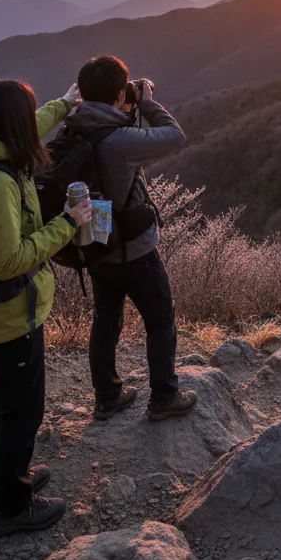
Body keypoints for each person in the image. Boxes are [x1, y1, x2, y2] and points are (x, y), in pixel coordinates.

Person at [0, 79, 92, 538]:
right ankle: (11, 507)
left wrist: (66, 104)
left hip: (2, 316)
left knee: (7, 399)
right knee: (24, 410)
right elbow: (7, 261)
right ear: (12, 127)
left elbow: (33, 125)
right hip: (8, 316)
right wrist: (68, 224)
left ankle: (0, 479)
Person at [70, 55, 197, 423]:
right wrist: (146, 103)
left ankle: (107, 396)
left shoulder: (72, 126)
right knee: (160, 321)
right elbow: (175, 135)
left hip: (94, 242)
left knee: (106, 319)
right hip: (134, 249)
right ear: (118, 93)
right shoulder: (120, 141)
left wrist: (122, 106)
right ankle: (164, 398)